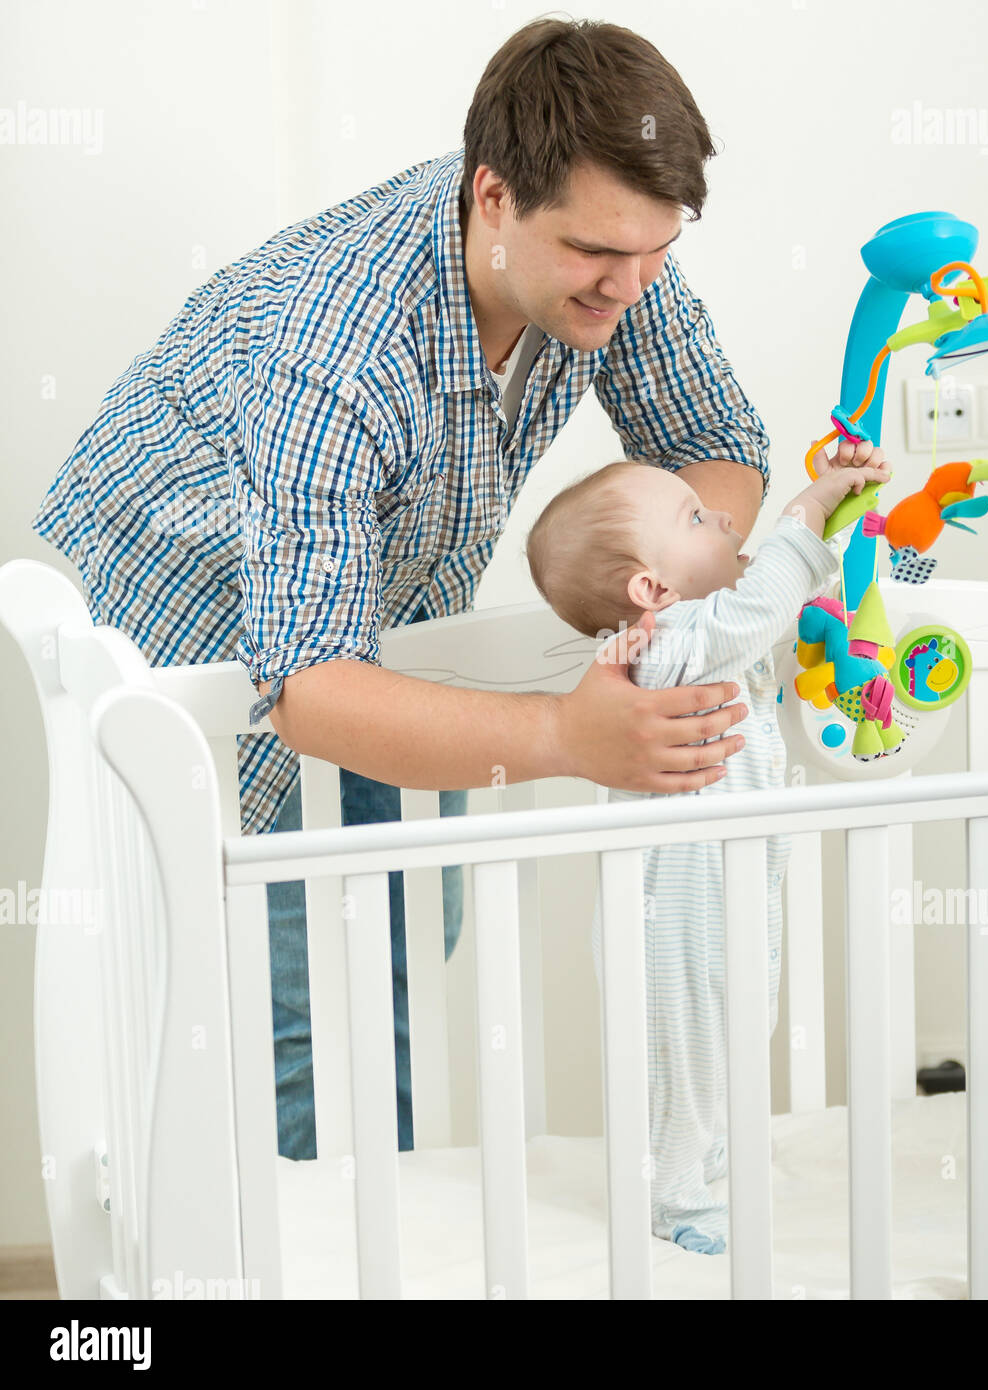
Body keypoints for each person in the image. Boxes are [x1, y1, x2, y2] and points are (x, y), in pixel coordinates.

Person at [30, 19, 767, 1159]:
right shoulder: (339, 348)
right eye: (596, 254)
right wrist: (572, 735)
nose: (632, 286)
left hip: (371, 602)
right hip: (195, 624)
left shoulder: (608, 258)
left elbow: (716, 439)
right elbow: (309, 687)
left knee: (409, 932)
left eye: (657, 250)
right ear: (493, 197)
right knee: (305, 1001)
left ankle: (368, 1225)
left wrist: (681, 581)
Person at [526, 438, 891, 1250]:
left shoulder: (713, 633)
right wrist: (806, 511)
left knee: (741, 1018)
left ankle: (706, 1144)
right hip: (672, 917)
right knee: (685, 1045)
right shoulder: (663, 647)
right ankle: (675, 1194)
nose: (724, 513)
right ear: (650, 588)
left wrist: (851, 527)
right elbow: (761, 605)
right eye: (695, 517)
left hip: (734, 887)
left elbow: (786, 610)